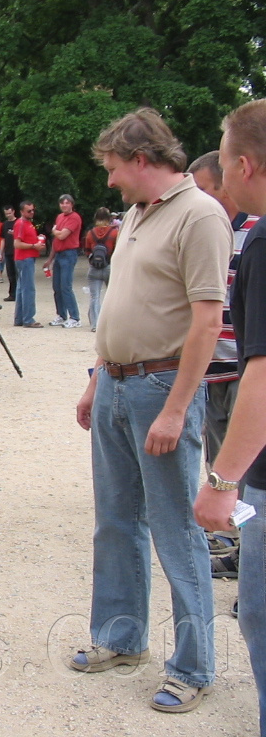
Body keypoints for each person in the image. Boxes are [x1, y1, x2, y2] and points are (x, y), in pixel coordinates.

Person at [71, 107, 231, 713]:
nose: (110, 180)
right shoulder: (140, 213)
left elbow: (207, 321)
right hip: (117, 383)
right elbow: (125, 303)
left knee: (176, 529)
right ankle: (121, 637)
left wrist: (177, 409)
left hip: (161, 387)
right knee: (115, 520)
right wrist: (97, 378)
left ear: (142, 159)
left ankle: (193, 667)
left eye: (113, 167)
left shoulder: (200, 215)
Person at [193, 97, 266, 736]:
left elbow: (263, 373)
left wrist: (222, 481)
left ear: (243, 165)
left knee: (261, 614)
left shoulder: (261, 239)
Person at [188, 149, 260, 585]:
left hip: (244, 369)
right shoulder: (202, 229)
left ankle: (253, 559)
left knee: (248, 468)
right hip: (212, 370)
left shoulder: (255, 231)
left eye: (203, 189)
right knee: (219, 462)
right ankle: (237, 546)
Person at [43, 194, 83, 328]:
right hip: (59, 254)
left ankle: (75, 317)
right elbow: (57, 239)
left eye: (67, 203)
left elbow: (62, 235)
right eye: (62, 203)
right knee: (57, 287)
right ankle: (61, 314)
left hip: (69, 253)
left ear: (72, 204)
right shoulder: (60, 217)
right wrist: (50, 259)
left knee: (66, 286)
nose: (64, 205)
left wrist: (54, 231)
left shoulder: (75, 217)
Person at [82, 207, 118, 332]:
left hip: (94, 268)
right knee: (112, 296)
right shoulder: (114, 233)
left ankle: (95, 325)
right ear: (109, 218)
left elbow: (87, 251)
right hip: (109, 267)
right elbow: (117, 250)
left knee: (94, 297)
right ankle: (112, 323)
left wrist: (92, 261)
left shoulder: (90, 233)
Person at [12, 201, 43, 328]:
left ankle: (20, 318)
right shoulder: (20, 223)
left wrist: (36, 241)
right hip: (25, 258)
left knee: (21, 289)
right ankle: (28, 319)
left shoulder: (28, 223)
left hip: (26, 258)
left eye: (33, 210)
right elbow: (17, 243)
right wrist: (34, 246)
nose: (32, 212)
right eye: (29, 211)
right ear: (21, 212)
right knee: (28, 289)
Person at [0, 204, 18, 301]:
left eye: (9, 213)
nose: (8, 215)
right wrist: (0, 253)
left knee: (18, 274)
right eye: (6, 214)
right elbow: (2, 239)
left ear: (13, 212)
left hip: (17, 252)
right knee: (10, 275)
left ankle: (19, 293)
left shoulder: (18, 222)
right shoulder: (4, 225)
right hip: (8, 252)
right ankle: (12, 294)